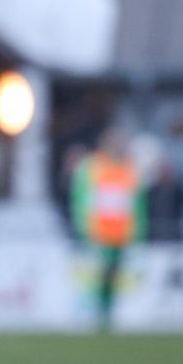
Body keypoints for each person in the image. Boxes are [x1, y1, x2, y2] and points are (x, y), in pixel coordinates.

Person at [70, 127, 145, 331]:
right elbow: (80, 198)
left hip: (120, 234)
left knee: (112, 276)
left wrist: (136, 229)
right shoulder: (92, 167)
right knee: (97, 276)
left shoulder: (128, 169)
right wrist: (83, 226)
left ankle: (107, 314)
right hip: (98, 233)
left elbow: (136, 203)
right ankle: (93, 314)